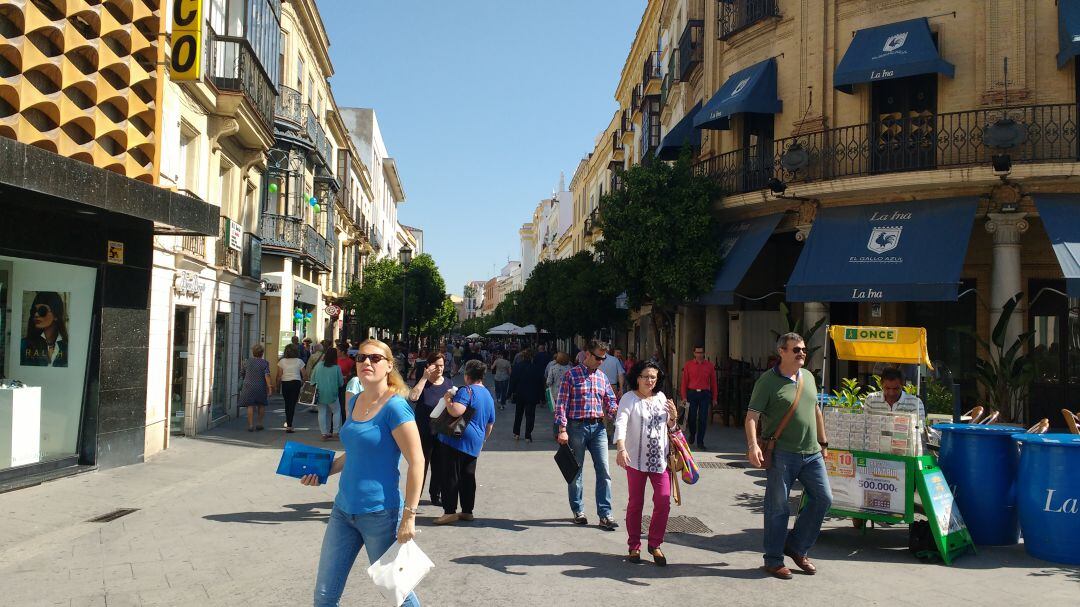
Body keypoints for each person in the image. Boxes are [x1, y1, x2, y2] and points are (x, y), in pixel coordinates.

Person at [303, 339, 424, 607]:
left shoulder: (395, 407)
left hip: (380, 514)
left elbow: (417, 461)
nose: (366, 362)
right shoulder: (356, 400)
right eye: (361, 358)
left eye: (375, 358)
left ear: (389, 366)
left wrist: (410, 516)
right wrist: (322, 471)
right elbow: (356, 452)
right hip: (343, 511)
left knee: (398, 594)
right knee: (324, 597)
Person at [745, 333, 832, 580]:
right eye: (796, 350)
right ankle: (773, 560)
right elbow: (752, 417)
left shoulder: (808, 377)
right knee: (778, 508)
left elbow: (815, 409)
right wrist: (753, 446)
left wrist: (823, 443)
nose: (801, 353)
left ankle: (796, 546)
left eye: (803, 349)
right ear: (782, 352)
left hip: (812, 453)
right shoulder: (767, 381)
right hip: (782, 453)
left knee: (823, 498)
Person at [615, 361, 678, 566]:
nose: (650, 381)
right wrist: (621, 448)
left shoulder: (661, 398)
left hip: (660, 460)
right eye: (646, 376)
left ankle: (655, 543)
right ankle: (634, 545)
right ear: (637, 377)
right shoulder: (629, 398)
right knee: (636, 503)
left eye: (653, 377)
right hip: (636, 460)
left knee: (663, 501)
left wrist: (674, 417)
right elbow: (621, 423)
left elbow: (671, 426)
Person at [555, 339, 620, 530]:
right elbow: (561, 403)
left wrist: (618, 411)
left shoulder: (603, 377)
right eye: (599, 357)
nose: (602, 361)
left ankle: (605, 514)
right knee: (576, 471)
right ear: (588, 355)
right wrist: (562, 429)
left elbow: (610, 402)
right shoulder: (571, 375)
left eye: (604, 358)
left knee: (604, 471)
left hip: (598, 428)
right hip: (576, 428)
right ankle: (578, 510)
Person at [433, 359, 497, 525]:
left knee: (450, 475)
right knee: (468, 476)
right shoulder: (488, 394)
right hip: (475, 441)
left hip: (456, 439)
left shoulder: (466, 391)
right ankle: (467, 511)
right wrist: (482, 440)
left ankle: (449, 511)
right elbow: (490, 423)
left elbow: (456, 411)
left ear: (467, 375)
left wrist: (448, 399)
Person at [408, 352, 453, 507]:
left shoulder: (448, 383)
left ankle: (436, 494)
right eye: (436, 365)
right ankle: (415, 495)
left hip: (442, 430)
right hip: (423, 431)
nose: (440, 368)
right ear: (428, 366)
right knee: (421, 464)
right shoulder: (424, 383)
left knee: (439, 465)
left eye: (442, 365)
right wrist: (423, 378)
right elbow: (412, 397)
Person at [680, 345, 718, 450]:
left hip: (705, 394)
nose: (699, 355)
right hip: (692, 393)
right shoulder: (688, 365)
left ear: (704, 353)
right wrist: (684, 397)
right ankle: (692, 433)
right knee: (692, 417)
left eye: (701, 353)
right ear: (694, 353)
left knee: (703, 418)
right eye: (697, 352)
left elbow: (714, 383)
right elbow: (684, 382)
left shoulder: (709, 366)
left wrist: (714, 398)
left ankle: (700, 441)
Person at [21, 291, 69, 367]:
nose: (36, 315)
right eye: (34, 311)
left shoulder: (68, 347)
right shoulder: (23, 346)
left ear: (56, 315)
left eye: (42, 310)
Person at [508, 348, 545, 441]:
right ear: (532, 357)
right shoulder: (537, 368)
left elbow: (512, 381)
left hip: (520, 394)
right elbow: (541, 383)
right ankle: (528, 435)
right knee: (530, 415)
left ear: (523, 357)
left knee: (518, 414)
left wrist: (509, 393)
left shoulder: (517, 367)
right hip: (532, 394)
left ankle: (516, 433)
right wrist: (542, 397)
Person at [312, 348, 345, 440]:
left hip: (320, 393)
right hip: (333, 393)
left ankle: (324, 433)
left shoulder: (318, 365)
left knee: (321, 413)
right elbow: (341, 383)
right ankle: (335, 432)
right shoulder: (336, 368)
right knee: (336, 411)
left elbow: (312, 379)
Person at [275, 344, 307, 433]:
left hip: (285, 383)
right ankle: (289, 424)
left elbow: (279, 375)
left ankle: (288, 422)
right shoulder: (299, 361)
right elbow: (304, 375)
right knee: (292, 404)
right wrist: (304, 383)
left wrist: (277, 385)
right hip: (296, 383)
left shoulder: (282, 361)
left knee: (287, 403)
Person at [240, 344, 272, 432]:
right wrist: (269, 387)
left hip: (248, 386)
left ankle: (250, 425)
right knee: (261, 405)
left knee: (250, 405)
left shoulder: (246, 362)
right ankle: (259, 423)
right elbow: (267, 375)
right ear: (262, 353)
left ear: (253, 352)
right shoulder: (265, 363)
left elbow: (242, 373)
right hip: (260, 386)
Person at [337, 340, 355, 428]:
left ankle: (344, 425)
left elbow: (352, 373)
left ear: (342, 352)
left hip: (345, 385)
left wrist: (346, 376)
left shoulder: (350, 361)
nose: (336, 352)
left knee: (344, 406)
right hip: (336, 385)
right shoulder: (335, 360)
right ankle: (333, 428)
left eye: (338, 350)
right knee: (336, 408)